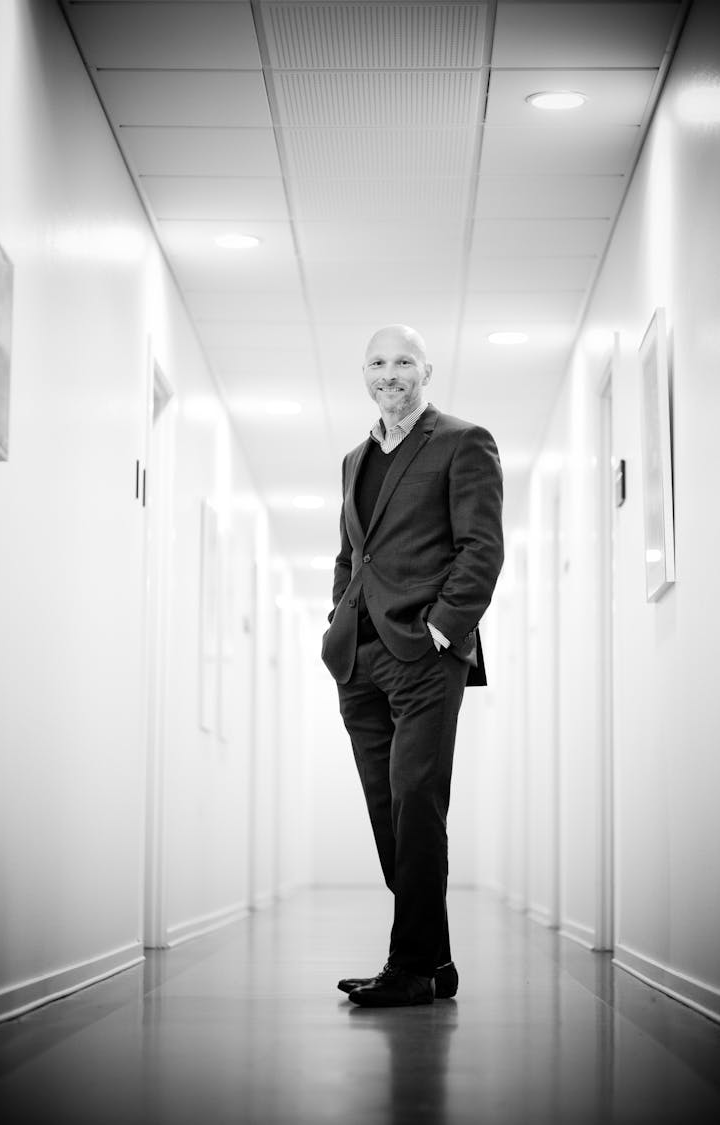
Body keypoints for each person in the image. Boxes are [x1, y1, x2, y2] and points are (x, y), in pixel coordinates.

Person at [321, 324, 504, 1007]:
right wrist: (337, 616)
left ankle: (409, 967)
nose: (388, 372)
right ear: (363, 373)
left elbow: (481, 548)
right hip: (358, 657)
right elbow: (350, 554)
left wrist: (442, 627)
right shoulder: (352, 459)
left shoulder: (463, 441)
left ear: (427, 368)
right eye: (376, 361)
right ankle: (438, 958)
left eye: (402, 361)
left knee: (417, 801)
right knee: (387, 810)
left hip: (425, 656)